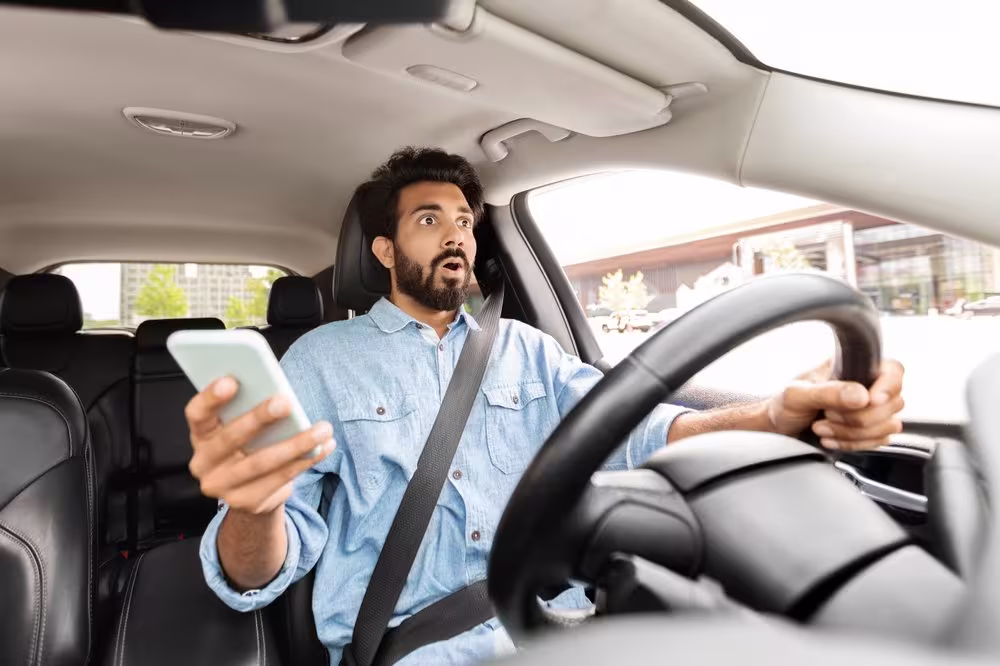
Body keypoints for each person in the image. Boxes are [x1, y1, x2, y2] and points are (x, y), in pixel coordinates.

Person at [190, 148, 906, 665]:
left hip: (563, 632)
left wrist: (772, 418)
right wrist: (255, 507)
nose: (456, 235)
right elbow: (252, 578)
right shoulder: (319, 361)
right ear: (384, 250)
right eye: (429, 220)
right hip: (415, 651)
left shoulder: (528, 350)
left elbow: (637, 433)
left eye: (465, 221)